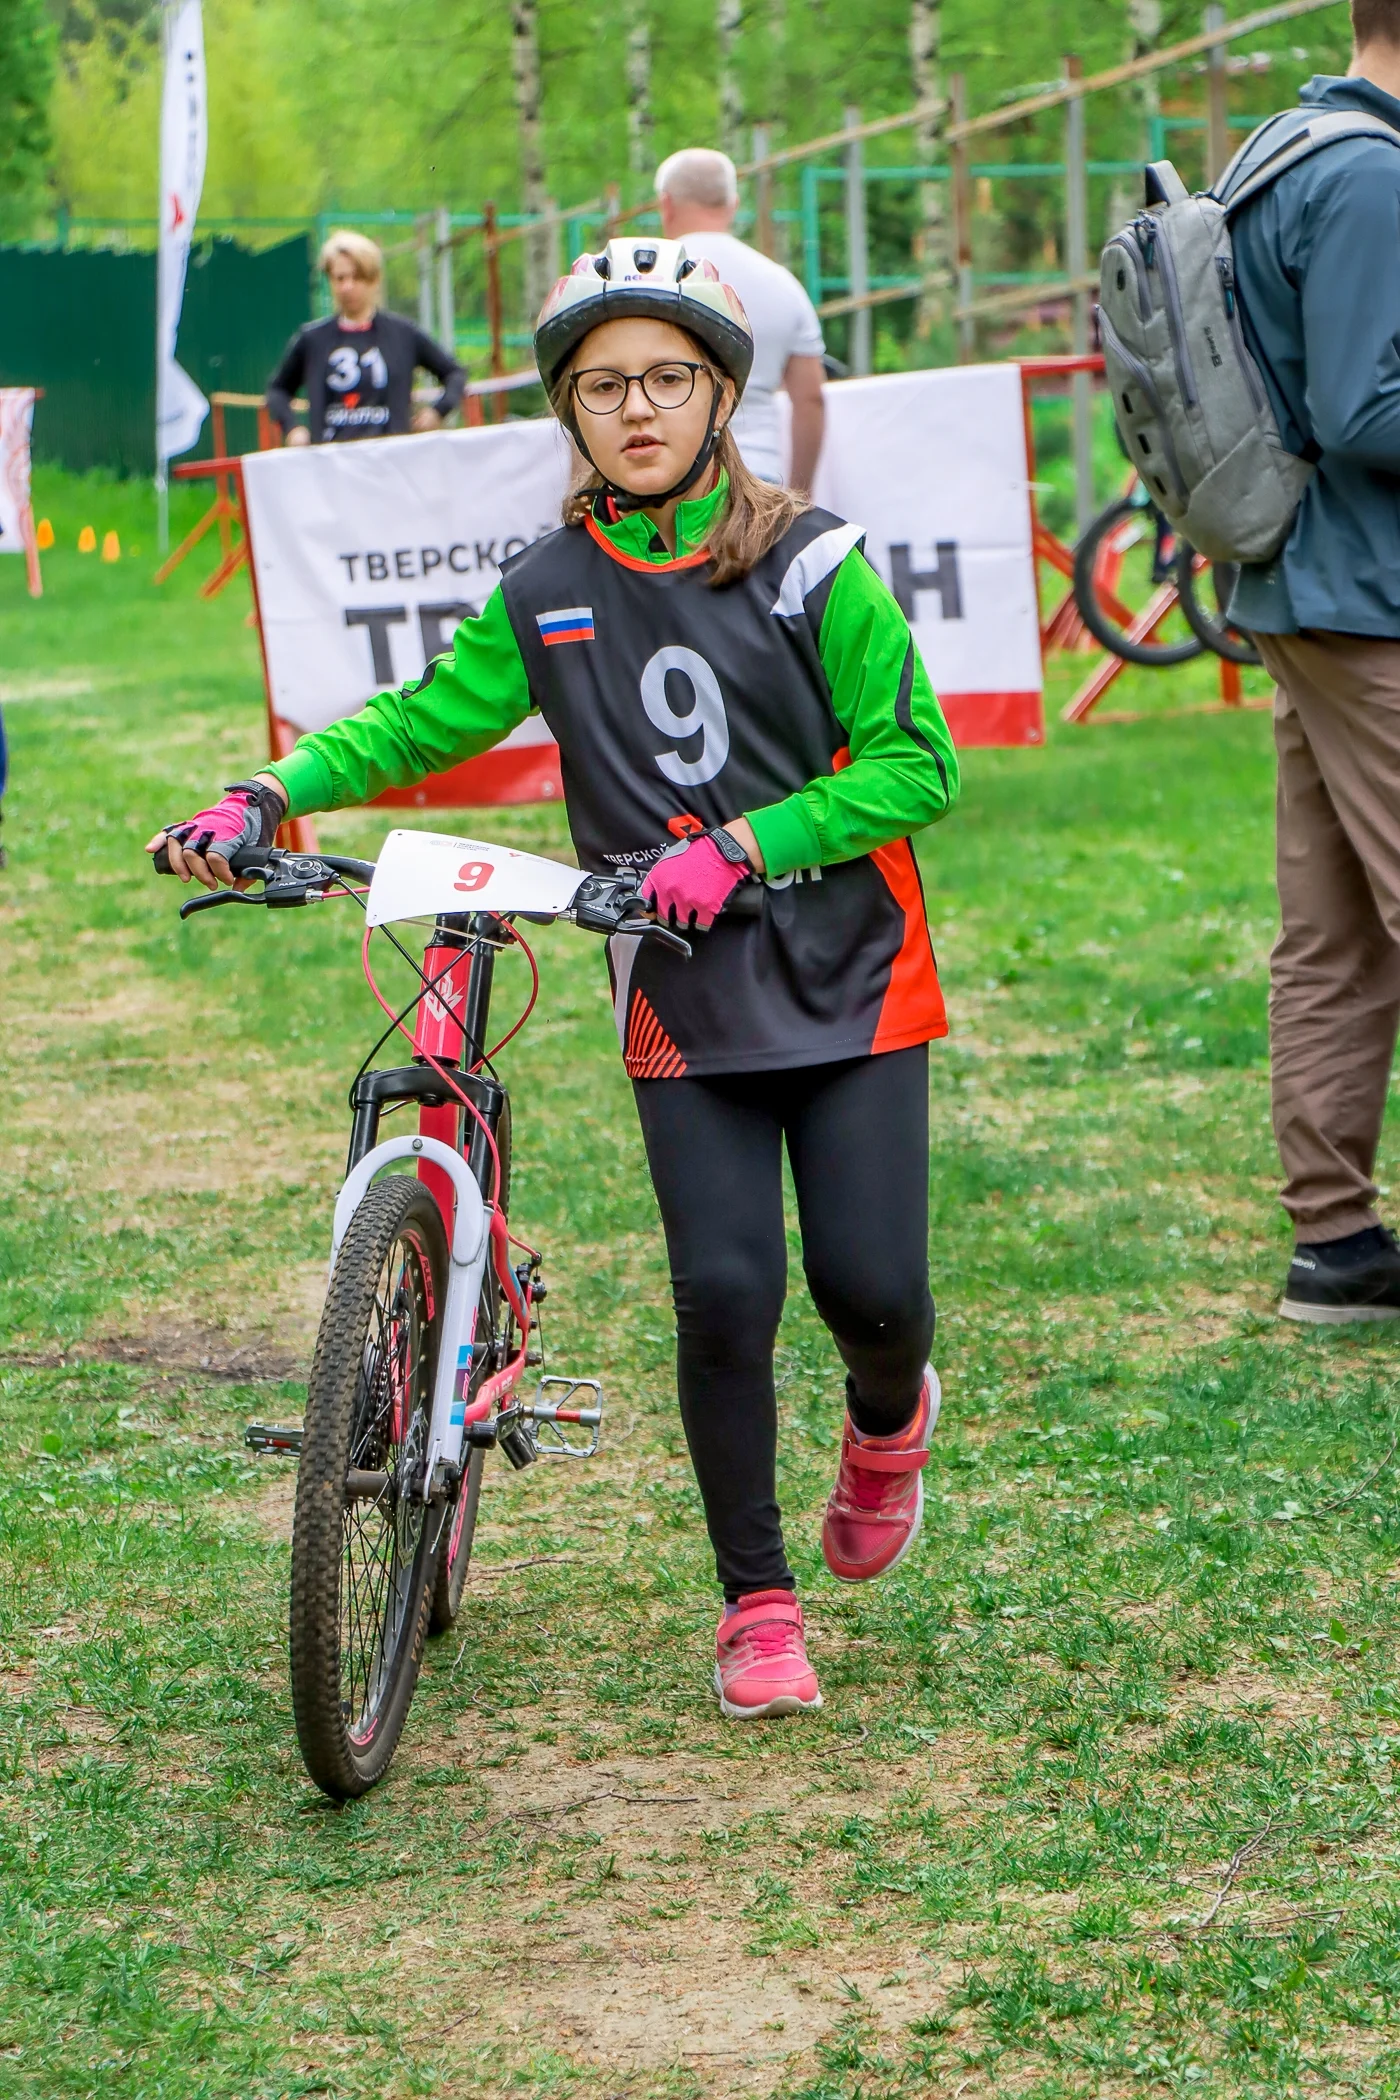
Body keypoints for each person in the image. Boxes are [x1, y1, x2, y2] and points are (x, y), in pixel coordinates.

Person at [149, 240, 959, 1720]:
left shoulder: (814, 562)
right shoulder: (550, 588)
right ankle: (758, 1605)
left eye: (666, 378)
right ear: (569, 412)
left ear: (720, 395)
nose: (636, 408)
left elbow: (919, 764)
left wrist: (747, 844)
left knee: (873, 1295)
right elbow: (419, 722)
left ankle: (888, 1417)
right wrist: (270, 791)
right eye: (601, 387)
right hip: (679, 987)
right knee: (724, 1295)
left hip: (853, 975)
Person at [1229, 0, 1400, 1323]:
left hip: (1306, 587)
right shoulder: (1369, 175)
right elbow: (1363, 407)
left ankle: (1334, 1245)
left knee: (1333, 930)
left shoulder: (1282, 147)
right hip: (1370, 598)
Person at [655, 147, 827, 494]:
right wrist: (799, 496)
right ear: (732, 205)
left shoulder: (646, 282)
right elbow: (810, 399)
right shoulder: (782, 284)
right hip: (760, 477)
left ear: (666, 204)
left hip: (667, 480)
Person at [266, 230, 465, 447]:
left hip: (393, 458)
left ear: (374, 280)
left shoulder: (403, 334)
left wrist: (438, 411)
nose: (347, 287)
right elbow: (277, 390)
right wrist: (293, 428)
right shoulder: (312, 339)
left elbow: (455, 373)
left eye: (357, 277)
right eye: (340, 278)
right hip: (330, 461)